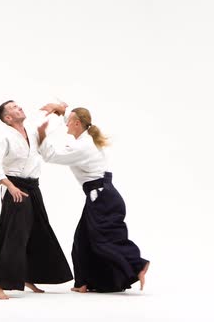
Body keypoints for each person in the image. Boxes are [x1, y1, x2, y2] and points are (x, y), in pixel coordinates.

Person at [37, 103, 150, 293]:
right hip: (101, 196)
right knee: (83, 240)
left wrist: (41, 134)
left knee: (103, 241)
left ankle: (137, 264)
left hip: (102, 199)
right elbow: (74, 123)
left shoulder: (84, 147)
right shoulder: (86, 136)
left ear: (77, 124)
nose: (66, 125)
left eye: (69, 122)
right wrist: (62, 112)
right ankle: (85, 283)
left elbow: (51, 156)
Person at [0, 100, 73, 300]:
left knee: (38, 230)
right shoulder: (4, 136)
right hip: (15, 186)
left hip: (33, 187)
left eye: (18, 105)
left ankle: (26, 275)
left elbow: (45, 142)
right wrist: (10, 186)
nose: (19, 108)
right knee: (14, 234)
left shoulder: (31, 132)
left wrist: (54, 115)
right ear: (7, 118)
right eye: (14, 108)